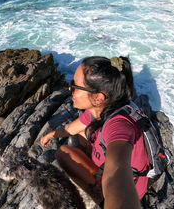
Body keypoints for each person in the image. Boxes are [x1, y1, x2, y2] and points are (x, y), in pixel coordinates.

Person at [40, 56, 150, 209]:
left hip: (130, 189)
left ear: (98, 97)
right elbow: (75, 127)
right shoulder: (105, 107)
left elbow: (116, 171)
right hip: (118, 169)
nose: (70, 89)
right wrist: (52, 135)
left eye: (75, 86)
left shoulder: (119, 126)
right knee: (76, 137)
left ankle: (101, 201)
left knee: (63, 154)